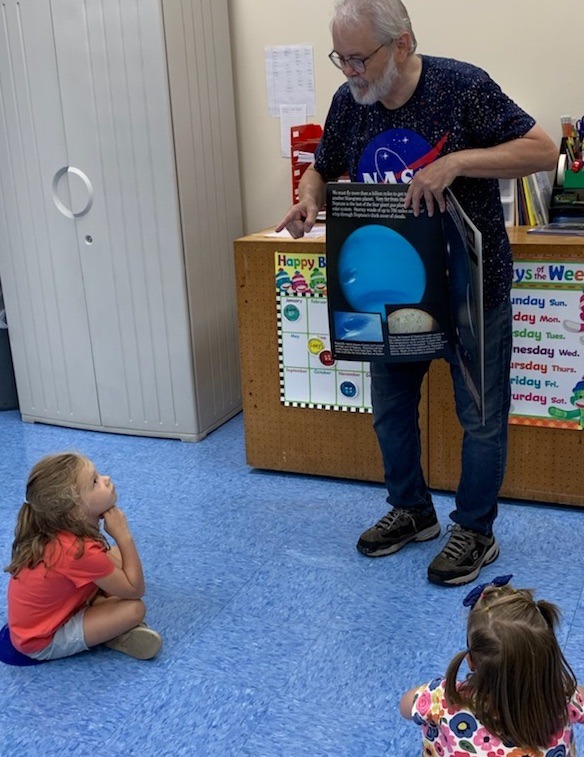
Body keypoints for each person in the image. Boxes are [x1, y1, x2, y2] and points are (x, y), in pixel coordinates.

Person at [275, 0, 558, 586]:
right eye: (340, 58)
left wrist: (455, 163)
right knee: (390, 412)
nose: (349, 71)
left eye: (359, 58)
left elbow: (540, 148)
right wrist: (309, 199)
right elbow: (322, 168)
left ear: (401, 44)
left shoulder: (462, 87)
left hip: (469, 285)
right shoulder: (347, 104)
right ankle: (412, 511)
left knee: (479, 417)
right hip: (387, 289)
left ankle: (476, 531)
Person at [4, 452, 162, 661]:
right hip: (40, 639)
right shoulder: (76, 550)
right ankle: (109, 632)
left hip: (53, 612)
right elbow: (135, 590)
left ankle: (101, 618)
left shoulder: (58, 529)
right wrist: (124, 536)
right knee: (134, 609)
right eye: (95, 482)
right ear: (76, 512)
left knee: (114, 556)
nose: (106, 479)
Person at [400, 576, 584, 754]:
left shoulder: (441, 699)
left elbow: (406, 706)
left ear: (470, 661)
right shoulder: (563, 697)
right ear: (547, 659)